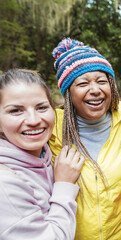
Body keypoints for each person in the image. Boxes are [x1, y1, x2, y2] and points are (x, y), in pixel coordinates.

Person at [49, 38, 121, 240]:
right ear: (68, 94)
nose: (95, 90)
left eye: (102, 81)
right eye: (82, 83)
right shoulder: (49, 129)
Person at [0, 69, 84, 239]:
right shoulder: (5, 183)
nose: (33, 120)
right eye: (16, 110)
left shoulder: (46, 154)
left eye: (42, 107)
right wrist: (64, 185)